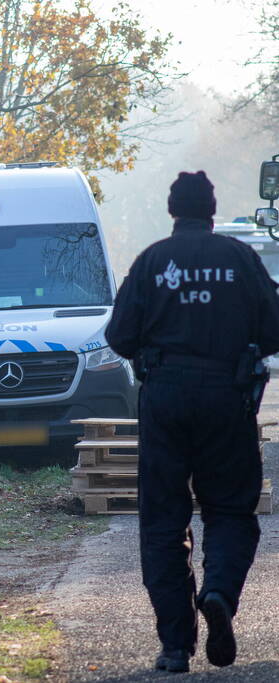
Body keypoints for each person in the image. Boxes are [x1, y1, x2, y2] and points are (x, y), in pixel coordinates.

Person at [105, 170, 279, 673]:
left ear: (173, 210)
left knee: (163, 521)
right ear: (211, 209)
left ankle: (175, 647)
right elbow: (273, 330)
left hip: (165, 401)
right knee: (229, 510)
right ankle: (220, 592)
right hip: (227, 399)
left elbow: (119, 337)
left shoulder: (151, 262)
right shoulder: (240, 260)